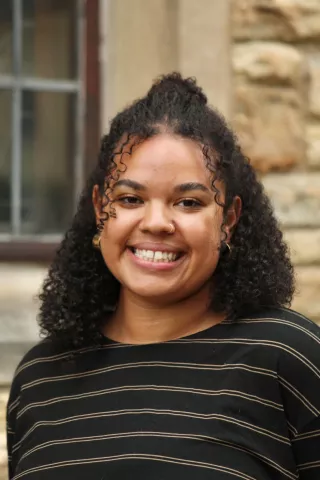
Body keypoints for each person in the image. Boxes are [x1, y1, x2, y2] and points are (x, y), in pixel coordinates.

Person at [7, 73, 320, 480]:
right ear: (101, 208)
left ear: (228, 219)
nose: (156, 222)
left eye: (188, 202)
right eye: (131, 199)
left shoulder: (286, 357)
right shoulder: (41, 378)